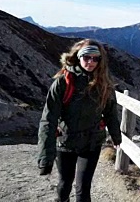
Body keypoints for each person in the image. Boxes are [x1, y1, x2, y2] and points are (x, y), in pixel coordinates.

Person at [37, 39, 122, 202]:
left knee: (83, 189)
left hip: (91, 143)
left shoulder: (104, 84)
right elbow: (48, 120)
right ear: (78, 57)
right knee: (65, 184)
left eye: (95, 58)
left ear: (100, 60)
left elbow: (111, 112)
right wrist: (45, 157)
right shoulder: (63, 83)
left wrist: (116, 136)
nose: (90, 62)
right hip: (65, 143)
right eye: (86, 57)